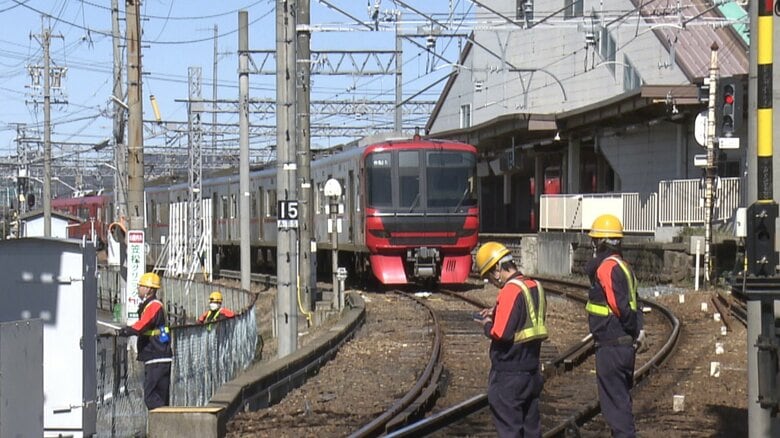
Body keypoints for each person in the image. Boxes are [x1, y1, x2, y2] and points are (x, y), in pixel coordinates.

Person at [473, 241, 548, 438]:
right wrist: (497, 311)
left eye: (490, 275)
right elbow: (526, 318)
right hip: (531, 371)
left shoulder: (510, 290)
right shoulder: (535, 286)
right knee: (532, 431)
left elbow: (501, 333)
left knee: (510, 431)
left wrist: (487, 324)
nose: (492, 281)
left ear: (497, 268)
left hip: (509, 375)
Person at [585, 214, 645, 438]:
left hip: (612, 345)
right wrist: (637, 332)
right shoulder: (624, 267)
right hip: (622, 345)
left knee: (616, 410)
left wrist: (629, 329)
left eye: (594, 240)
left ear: (600, 242)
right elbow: (636, 303)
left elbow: (620, 307)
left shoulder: (607, 268)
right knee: (620, 402)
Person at [117, 272, 173, 410]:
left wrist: (124, 332)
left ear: (149, 289)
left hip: (156, 355)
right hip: (159, 355)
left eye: (141, 285)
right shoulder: (151, 305)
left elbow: (142, 325)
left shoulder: (153, 305)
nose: (138, 288)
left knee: (151, 396)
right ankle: (164, 421)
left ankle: (162, 421)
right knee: (160, 397)